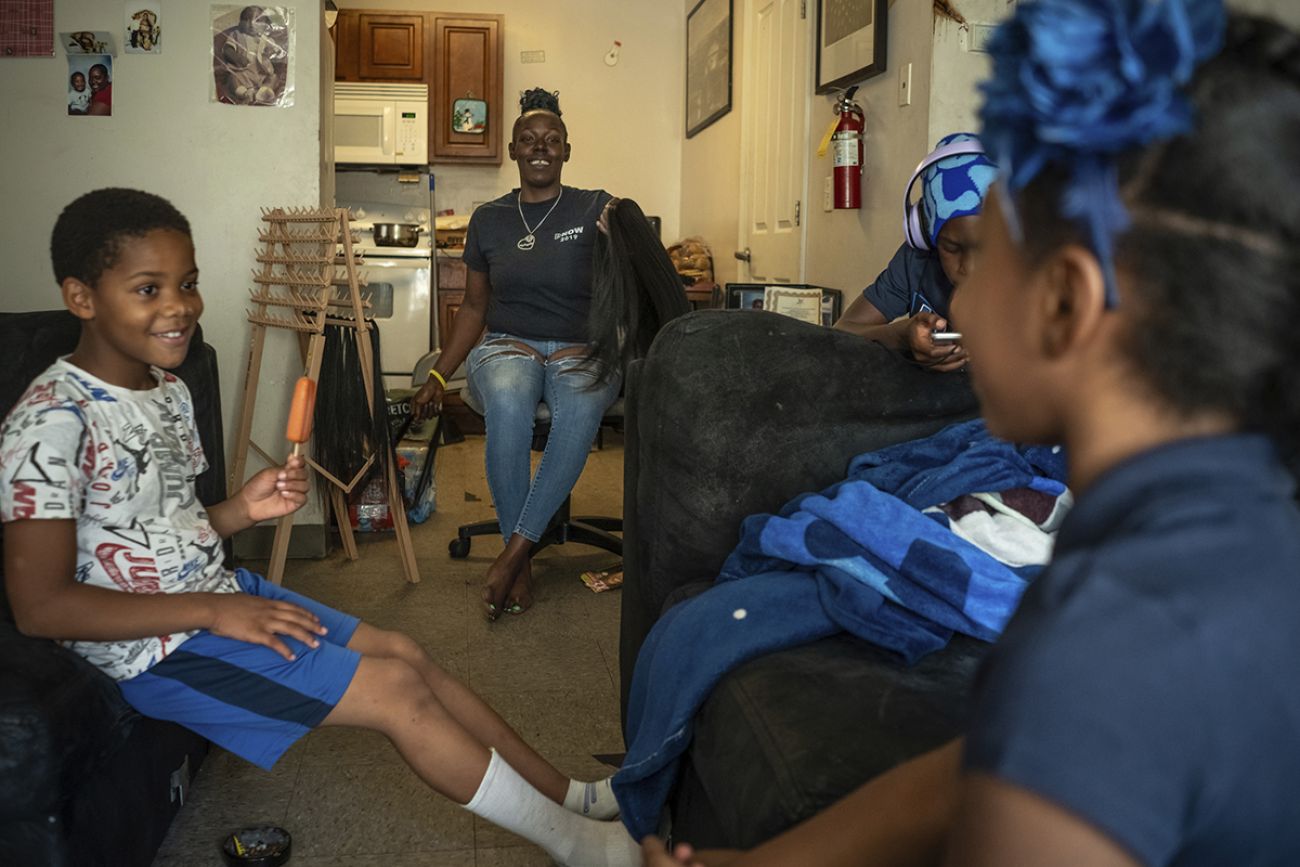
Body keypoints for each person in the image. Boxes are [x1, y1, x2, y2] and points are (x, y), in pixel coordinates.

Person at [643, 1, 1300, 864]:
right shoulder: (1225, 527)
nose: (959, 294)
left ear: (1062, 302)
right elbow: (983, 768)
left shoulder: (1106, 650)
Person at [0, 188, 641, 867]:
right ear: (82, 296)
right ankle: (583, 848)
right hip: (157, 648)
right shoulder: (50, 422)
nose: (179, 305)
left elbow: (167, 526)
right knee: (395, 693)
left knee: (405, 652)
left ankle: (571, 794)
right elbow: (41, 607)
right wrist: (217, 610)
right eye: (148, 288)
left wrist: (241, 510)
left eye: (187, 283)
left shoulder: (167, 389)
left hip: (218, 594)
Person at [411, 88, 620, 620]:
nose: (540, 148)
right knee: (507, 400)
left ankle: (513, 555)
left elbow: (631, 281)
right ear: (513, 150)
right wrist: (439, 372)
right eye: (528, 140)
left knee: (579, 408)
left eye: (552, 140)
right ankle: (519, 555)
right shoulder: (490, 219)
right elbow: (475, 308)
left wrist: (618, 235)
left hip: (579, 350)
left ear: (567, 150)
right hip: (508, 345)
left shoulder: (595, 207)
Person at [833, 132, 996, 373]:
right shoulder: (915, 260)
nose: (969, 268)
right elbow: (843, 331)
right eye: (951, 248)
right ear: (923, 234)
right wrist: (902, 336)